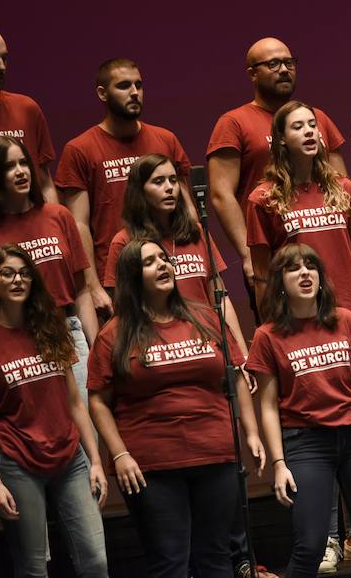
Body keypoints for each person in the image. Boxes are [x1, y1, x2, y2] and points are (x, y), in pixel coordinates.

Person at [87, 239, 264, 578]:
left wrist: (252, 433)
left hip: (216, 456)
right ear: (132, 276)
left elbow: (236, 376)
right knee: (170, 563)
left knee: (216, 558)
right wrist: (120, 454)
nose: (163, 265)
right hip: (152, 467)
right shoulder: (114, 334)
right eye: (149, 262)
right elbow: (98, 401)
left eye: (164, 258)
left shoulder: (206, 317)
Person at [246, 243, 351, 578]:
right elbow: (267, 405)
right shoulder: (267, 336)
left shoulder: (346, 320)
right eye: (294, 268)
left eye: (311, 266)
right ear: (280, 282)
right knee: (310, 546)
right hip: (305, 442)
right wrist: (278, 463)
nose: (305, 273)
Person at [0, 244, 108, 577]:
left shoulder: (50, 327)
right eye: (8, 273)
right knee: (33, 569)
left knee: (96, 561)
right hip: (17, 461)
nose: (17, 280)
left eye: (25, 273)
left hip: (70, 458)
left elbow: (75, 402)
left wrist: (96, 460)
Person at [207, 36, 347, 319]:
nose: (284, 69)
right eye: (273, 64)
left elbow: (339, 183)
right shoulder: (234, 122)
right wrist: (249, 254)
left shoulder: (317, 118)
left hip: (324, 244)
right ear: (252, 73)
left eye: (289, 62)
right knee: (287, 334)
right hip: (275, 254)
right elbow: (221, 194)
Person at [55, 58, 194, 318]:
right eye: (123, 86)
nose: (134, 92)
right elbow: (78, 225)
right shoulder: (80, 149)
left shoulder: (165, 139)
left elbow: (186, 208)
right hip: (117, 275)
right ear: (102, 93)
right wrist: (93, 286)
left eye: (138, 85)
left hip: (171, 267)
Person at [102, 153, 248, 362]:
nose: (169, 187)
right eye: (158, 181)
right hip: (159, 354)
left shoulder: (197, 233)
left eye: (173, 180)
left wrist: (241, 355)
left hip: (207, 347)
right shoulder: (124, 241)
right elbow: (124, 312)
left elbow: (221, 298)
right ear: (140, 190)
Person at [0, 136, 99, 408]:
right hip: (15, 340)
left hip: (67, 330)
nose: (20, 171)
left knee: (87, 418)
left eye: (24, 163)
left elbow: (81, 291)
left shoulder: (59, 216)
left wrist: (96, 346)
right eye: (9, 166)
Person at [246, 100, 351, 318]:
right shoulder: (263, 198)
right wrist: (269, 325)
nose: (309, 131)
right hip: (298, 316)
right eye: (298, 126)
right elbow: (262, 275)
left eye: (312, 125)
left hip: (348, 312)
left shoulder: (344, 188)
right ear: (281, 139)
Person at [0, 27, 57, 203]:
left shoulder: (26, 109)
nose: (1, 67)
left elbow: (45, 182)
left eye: (4, 58)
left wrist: (53, 217)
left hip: (30, 217)